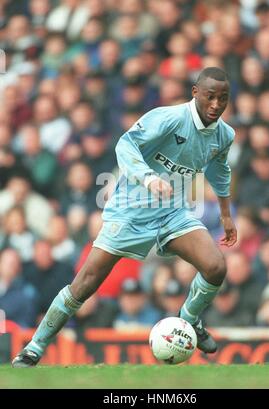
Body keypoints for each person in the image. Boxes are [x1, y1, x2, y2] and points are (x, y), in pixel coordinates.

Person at [12, 66, 237, 367]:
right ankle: (34, 347)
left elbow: (220, 171)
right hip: (129, 214)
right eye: (210, 96)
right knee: (84, 286)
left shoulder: (224, 134)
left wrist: (225, 214)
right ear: (195, 92)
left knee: (215, 267)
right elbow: (125, 144)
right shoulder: (168, 118)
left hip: (172, 214)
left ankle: (189, 320)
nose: (215, 105)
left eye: (223, 98)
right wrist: (148, 179)